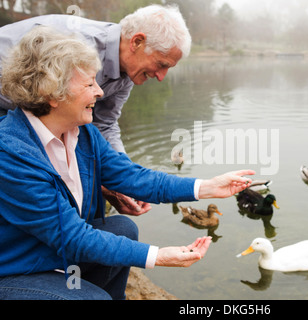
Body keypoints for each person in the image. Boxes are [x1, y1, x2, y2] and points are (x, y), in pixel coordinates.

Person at [0, 26, 254, 300]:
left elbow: (134, 178)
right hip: (16, 269)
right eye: (88, 84)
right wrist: (158, 255)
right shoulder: (12, 153)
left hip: (51, 251)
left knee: (123, 228)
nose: (99, 91)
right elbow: (74, 237)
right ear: (52, 92)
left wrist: (207, 186)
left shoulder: (84, 134)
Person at [0, 4, 191, 216]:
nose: (161, 76)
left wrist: (126, 182)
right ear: (137, 41)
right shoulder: (75, 49)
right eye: (161, 64)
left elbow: (105, 124)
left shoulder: (128, 70)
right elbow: (37, 117)